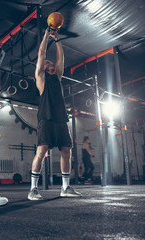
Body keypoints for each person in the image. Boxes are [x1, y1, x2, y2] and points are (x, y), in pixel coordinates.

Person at [28, 28, 82, 200]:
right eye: (46, 62)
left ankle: (65, 188)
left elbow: (61, 58)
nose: (49, 62)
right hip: (46, 118)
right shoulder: (40, 78)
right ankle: (33, 189)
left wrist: (58, 40)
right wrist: (46, 35)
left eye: (50, 62)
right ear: (43, 66)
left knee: (67, 150)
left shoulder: (57, 76)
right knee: (41, 151)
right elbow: (41, 52)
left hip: (60, 119)